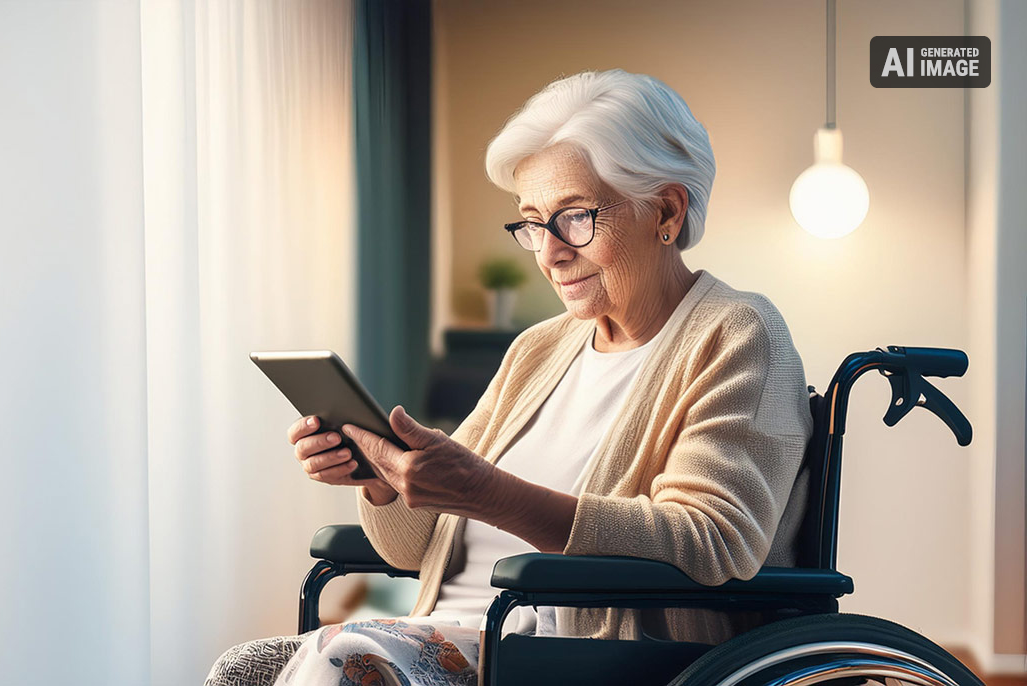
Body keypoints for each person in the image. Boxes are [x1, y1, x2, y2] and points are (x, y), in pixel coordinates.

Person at [206, 68, 813, 686]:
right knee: (244, 670)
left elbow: (713, 538)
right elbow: (413, 550)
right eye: (532, 223)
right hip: (456, 638)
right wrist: (385, 481)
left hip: (587, 657)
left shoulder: (738, 333)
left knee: (342, 657)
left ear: (665, 208)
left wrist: (487, 492)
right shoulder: (539, 349)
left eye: (574, 218)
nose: (549, 253)